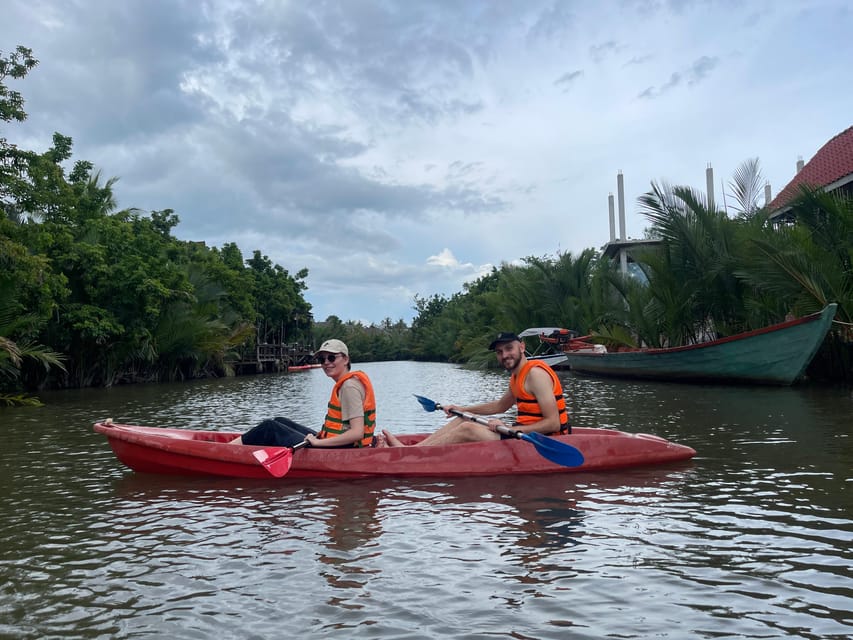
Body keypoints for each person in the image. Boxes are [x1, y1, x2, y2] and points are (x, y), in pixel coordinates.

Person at [382, 331, 568, 447]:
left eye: (509, 348)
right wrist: (462, 409)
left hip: (545, 440)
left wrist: (508, 427)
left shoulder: (535, 375)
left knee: (468, 429)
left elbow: (554, 424)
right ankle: (414, 450)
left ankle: (410, 455)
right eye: (499, 352)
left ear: (522, 347)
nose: (504, 355)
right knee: (462, 419)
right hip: (521, 433)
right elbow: (500, 406)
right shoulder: (517, 375)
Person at [229, 339, 377, 448]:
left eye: (331, 357)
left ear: (345, 359)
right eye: (322, 359)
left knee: (270, 427)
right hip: (340, 444)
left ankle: (227, 450)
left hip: (344, 449)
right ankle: (236, 447)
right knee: (280, 421)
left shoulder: (349, 387)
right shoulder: (348, 383)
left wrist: (318, 442)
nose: (326, 363)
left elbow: (357, 433)